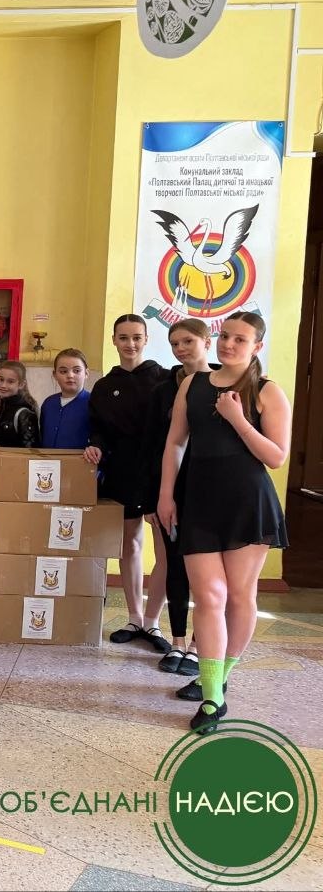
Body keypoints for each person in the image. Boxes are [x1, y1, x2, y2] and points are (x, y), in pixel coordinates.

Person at [157, 312, 289, 732]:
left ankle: (218, 679)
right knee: (209, 596)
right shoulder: (192, 384)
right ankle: (213, 697)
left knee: (239, 595)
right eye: (225, 335)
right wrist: (166, 494)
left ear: (257, 347)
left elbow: (276, 456)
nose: (228, 344)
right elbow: (175, 442)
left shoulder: (267, 391)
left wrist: (238, 419)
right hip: (199, 500)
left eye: (240, 339)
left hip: (248, 502)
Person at [85, 314, 171, 652]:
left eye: (136, 337)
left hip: (160, 473)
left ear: (147, 339)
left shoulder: (166, 378)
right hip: (123, 472)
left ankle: (153, 621)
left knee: (164, 550)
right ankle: (134, 617)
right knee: (130, 545)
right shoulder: (105, 386)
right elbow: (98, 429)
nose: (130, 344)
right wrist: (95, 445)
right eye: (123, 337)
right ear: (114, 340)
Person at [143, 319, 212, 679]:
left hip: (211, 490)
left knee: (206, 573)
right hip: (172, 490)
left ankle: (200, 646)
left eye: (188, 341)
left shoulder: (225, 383)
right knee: (175, 565)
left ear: (206, 341)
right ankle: (178, 642)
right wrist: (154, 498)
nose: (181, 349)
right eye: (174, 343)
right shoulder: (162, 390)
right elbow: (155, 446)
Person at [41, 348, 92, 449]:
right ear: (55, 375)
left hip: (79, 459)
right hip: (47, 458)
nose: (70, 375)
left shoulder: (93, 403)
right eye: (63, 371)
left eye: (77, 371)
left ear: (86, 373)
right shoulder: (48, 403)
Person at [0, 361, 40, 448]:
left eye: (10, 382)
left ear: (21, 384)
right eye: (1, 380)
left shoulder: (24, 413)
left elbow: (30, 451)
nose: (3, 385)